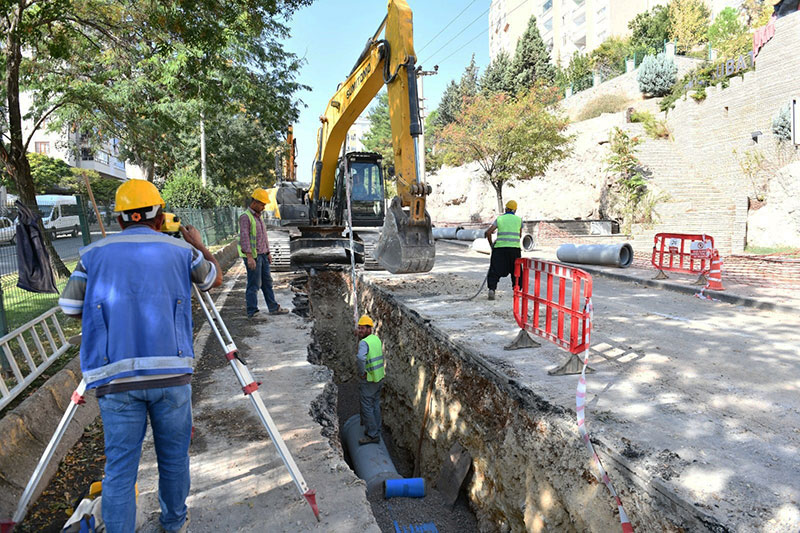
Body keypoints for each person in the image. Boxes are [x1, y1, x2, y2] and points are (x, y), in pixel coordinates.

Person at [58, 180, 223, 533]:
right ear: (160, 216)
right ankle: (174, 523)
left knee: (120, 468)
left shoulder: (92, 255)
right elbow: (213, 280)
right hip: (171, 375)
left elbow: (70, 306)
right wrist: (199, 246)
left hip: (115, 379)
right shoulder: (181, 252)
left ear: (118, 219)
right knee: (174, 460)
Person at [238, 188, 288, 319]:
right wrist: (249, 257)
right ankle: (252, 312)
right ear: (255, 202)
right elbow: (245, 238)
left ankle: (273, 307)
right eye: (262, 204)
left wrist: (268, 253)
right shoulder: (245, 217)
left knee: (267, 283)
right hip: (253, 256)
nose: (264, 207)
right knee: (253, 284)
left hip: (263, 255)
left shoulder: (259, 217)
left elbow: (263, 237)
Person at [484, 200, 522, 301]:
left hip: (500, 249)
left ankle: (492, 289)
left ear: (506, 208)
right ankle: (516, 290)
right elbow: (520, 235)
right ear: (515, 210)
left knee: (494, 270)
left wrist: (491, 244)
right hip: (514, 250)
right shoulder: (519, 220)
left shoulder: (500, 219)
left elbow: (488, 232)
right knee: (516, 271)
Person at [355, 315, 384, 445]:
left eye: (362, 328)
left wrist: (362, 373)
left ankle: (372, 435)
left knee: (367, 406)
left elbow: (361, 358)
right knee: (375, 405)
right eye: (359, 328)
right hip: (379, 377)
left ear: (369, 329)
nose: (360, 331)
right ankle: (377, 429)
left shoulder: (363, 343)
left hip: (369, 379)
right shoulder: (376, 339)